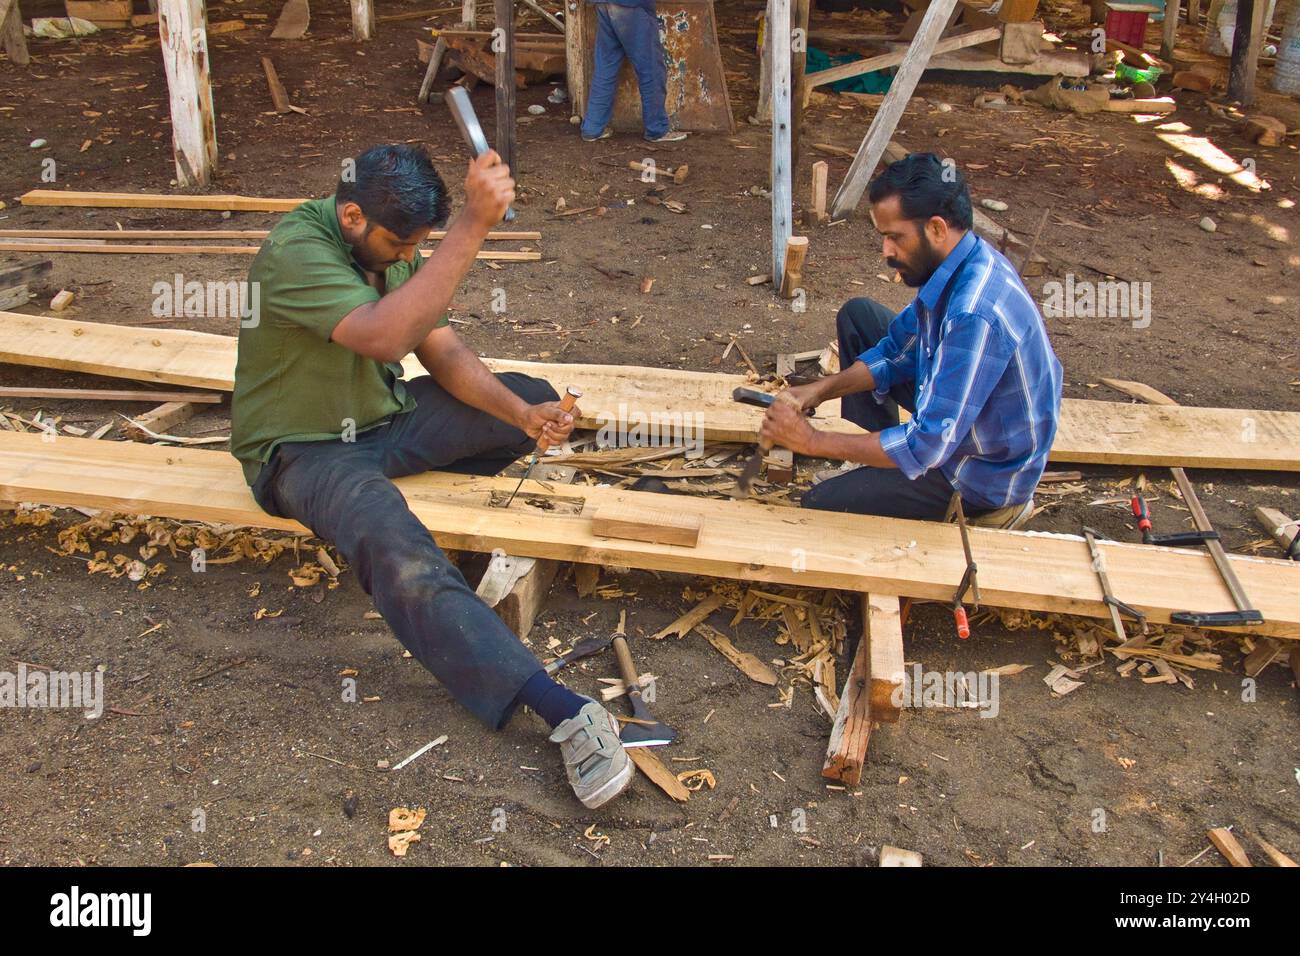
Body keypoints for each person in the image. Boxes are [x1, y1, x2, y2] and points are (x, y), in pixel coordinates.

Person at [230, 144, 633, 809]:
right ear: (352, 214)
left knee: (520, 392)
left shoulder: (385, 241)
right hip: (303, 451)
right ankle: (562, 711)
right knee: (394, 544)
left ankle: (456, 547)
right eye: (400, 244)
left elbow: (437, 346)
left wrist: (523, 414)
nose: (404, 256)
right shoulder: (295, 252)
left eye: (417, 245)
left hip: (379, 423)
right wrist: (472, 226)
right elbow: (386, 337)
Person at [760, 152, 1063, 527]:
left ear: (936, 229)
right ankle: (878, 461)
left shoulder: (973, 313)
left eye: (894, 237)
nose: (886, 251)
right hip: (963, 427)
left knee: (823, 507)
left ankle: (992, 513)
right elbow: (896, 353)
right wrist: (819, 391)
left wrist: (812, 441)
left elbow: (928, 444)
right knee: (860, 317)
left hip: (980, 474)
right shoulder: (959, 262)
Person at [580, 0, 689, 143]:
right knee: (650, 69)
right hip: (631, 5)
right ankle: (657, 129)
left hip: (603, 4)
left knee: (606, 66)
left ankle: (592, 128)